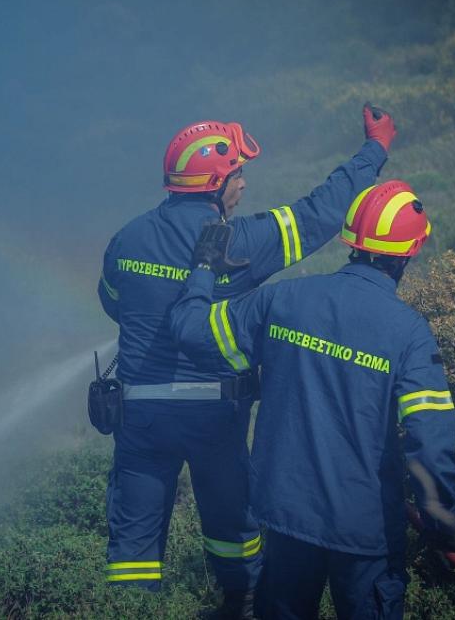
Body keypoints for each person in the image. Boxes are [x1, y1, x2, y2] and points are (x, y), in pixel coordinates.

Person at [96, 106, 394, 617]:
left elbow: (112, 303)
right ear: (217, 183)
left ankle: (125, 609)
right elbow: (320, 212)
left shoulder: (126, 238)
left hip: (140, 418)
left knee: (132, 560)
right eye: (238, 174)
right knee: (234, 534)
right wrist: (375, 150)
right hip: (215, 417)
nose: (244, 186)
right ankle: (241, 603)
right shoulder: (245, 242)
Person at [169, 180, 455, 619]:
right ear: (409, 253)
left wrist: (203, 269)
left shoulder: (283, 299)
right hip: (364, 530)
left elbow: (192, 333)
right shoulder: (410, 334)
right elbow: (429, 435)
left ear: (351, 240)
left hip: (285, 515)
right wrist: (441, 522)